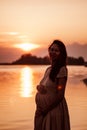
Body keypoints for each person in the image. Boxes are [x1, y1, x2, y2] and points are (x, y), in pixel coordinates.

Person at [34, 39, 70, 130]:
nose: (53, 52)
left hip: (53, 110)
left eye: (56, 50)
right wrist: (39, 88)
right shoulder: (48, 69)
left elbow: (60, 95)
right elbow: (48, 87)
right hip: (43, 111)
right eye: (52, 49)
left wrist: (46, 109)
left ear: (61, 54)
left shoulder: (62, 69)